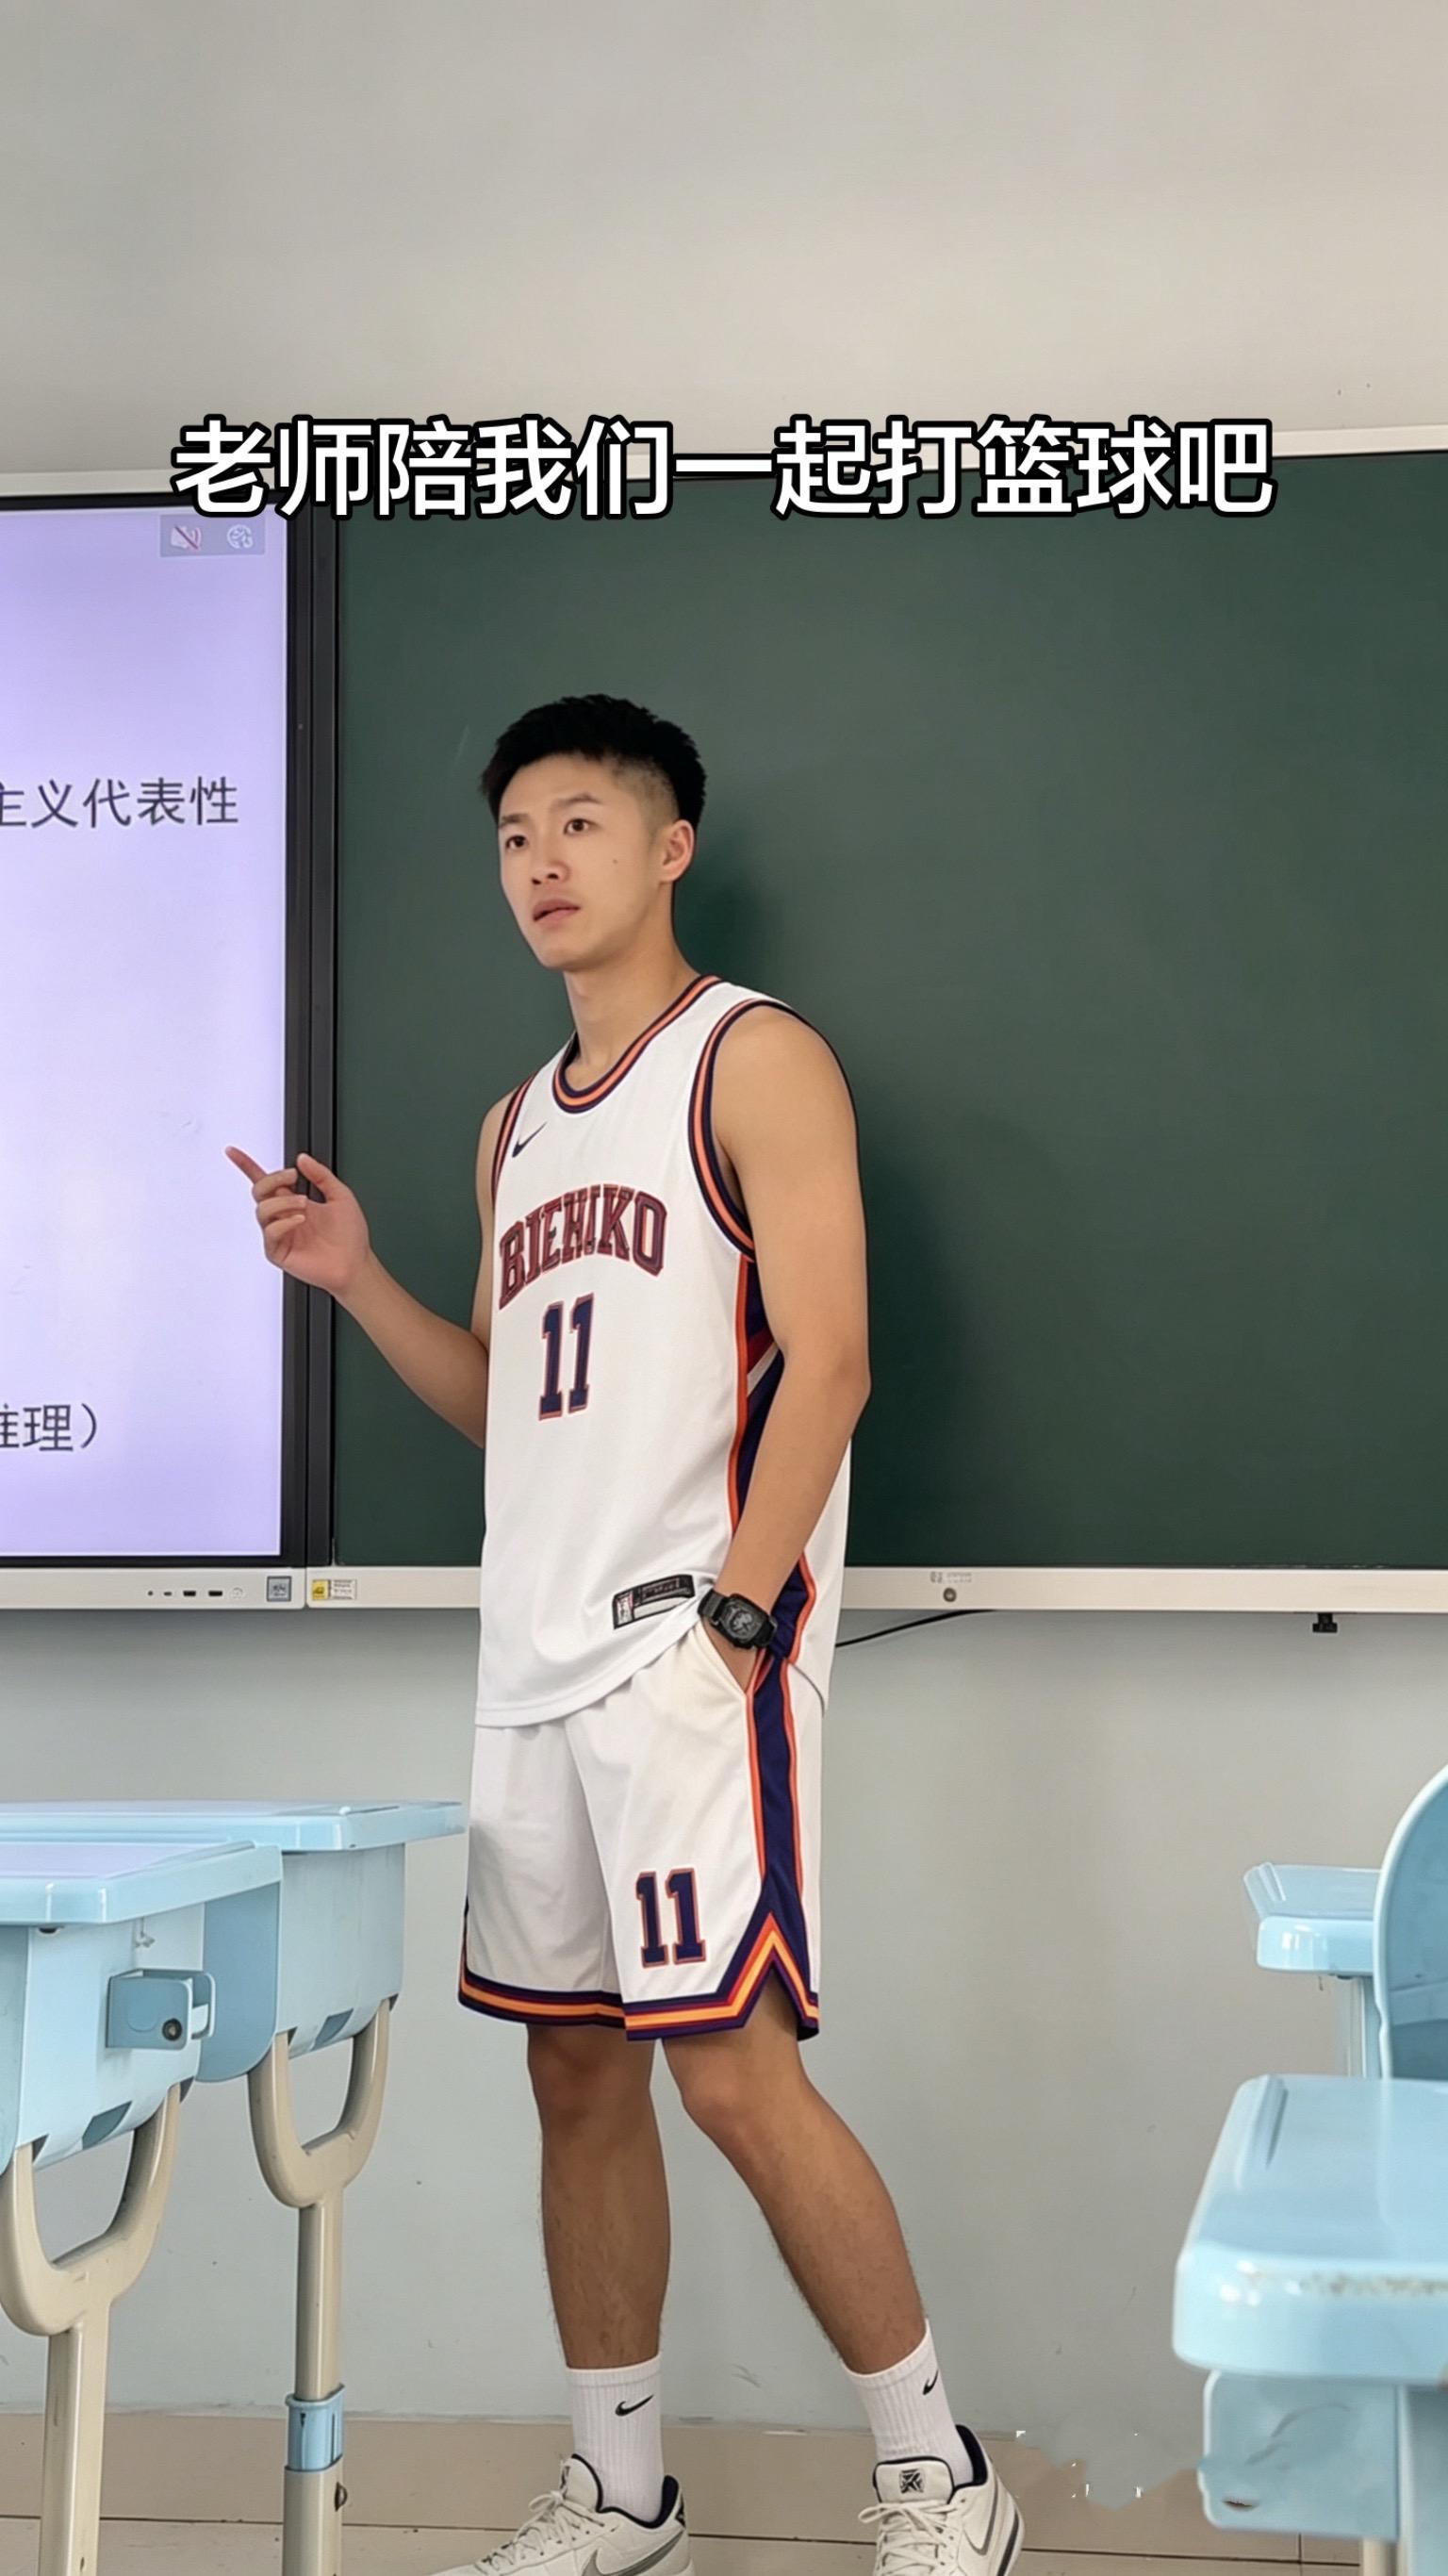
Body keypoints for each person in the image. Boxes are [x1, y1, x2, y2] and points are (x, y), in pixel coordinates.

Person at [227, 694, 1022, 2576]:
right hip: (530, 1667)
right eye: (514, 837)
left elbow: (833, 1358)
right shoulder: (510, 1130)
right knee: (573, 2075)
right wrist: (357, 1281)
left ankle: (942, 2475)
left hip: (690, 1644)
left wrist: (739, 1623)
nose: (541, 864)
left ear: (670, 846)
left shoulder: (754, 1057)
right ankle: (622, 2491)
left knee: (732, 2072)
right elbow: (509, 1405)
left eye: (578, 823)